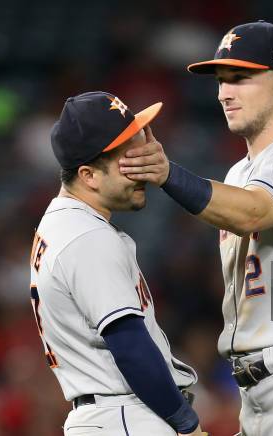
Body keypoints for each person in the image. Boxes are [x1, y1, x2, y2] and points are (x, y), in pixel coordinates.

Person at [118, 21, 273, 435]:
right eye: (221, 80)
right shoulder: (239, 172)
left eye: (241, 77)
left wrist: (168, 175)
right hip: (256, 392)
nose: (224, 92)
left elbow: (254, 212)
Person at [29, 91, 206, 436]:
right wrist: (188, 426)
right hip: (125, 416)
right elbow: (130, 346)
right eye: (128, 157)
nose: (142, 166)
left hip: (110, 415)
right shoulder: (86, 237)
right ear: (89, 175)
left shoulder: (63, 224)